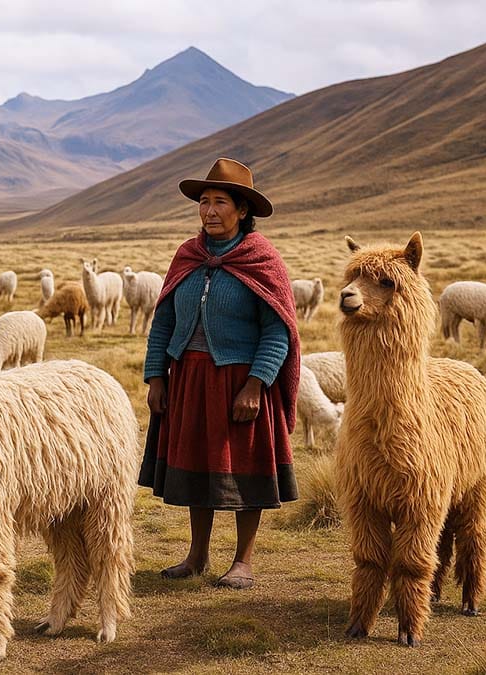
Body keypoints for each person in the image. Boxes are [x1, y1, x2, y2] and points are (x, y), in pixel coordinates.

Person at [139, 157, 300, 589]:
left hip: (240, 381)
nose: (209, 211)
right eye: (204, 202)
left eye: (220, 202)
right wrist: (156, 376)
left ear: (242, 210)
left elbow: (277, 331)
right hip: (188, 377)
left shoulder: (261, 259)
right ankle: (197, 555)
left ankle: (243, 560)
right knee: (197, 464)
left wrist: (256, 384)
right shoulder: (187, 255)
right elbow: (164, 320)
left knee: (246, 468)